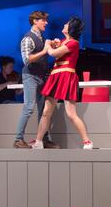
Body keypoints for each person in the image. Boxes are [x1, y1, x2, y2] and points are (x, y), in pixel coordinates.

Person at [31, 17, 93, 149]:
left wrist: (48, 44)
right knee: (46, 112)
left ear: (71, 28)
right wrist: (55, 43)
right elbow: (58, 47)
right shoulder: (65, 41)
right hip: (55, 76)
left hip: (66, 76)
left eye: (67, 24)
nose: (64, 25)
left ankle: (87, 141)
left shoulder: (73, 43)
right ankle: (38, 141)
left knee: (71, 114)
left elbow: (53, 53)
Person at [13, 11, 60, 149]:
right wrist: (45, 50)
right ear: (35, 21)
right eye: (43, 20)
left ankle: (43, 139)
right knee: (29, 107)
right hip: (30, 76)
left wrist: (52, 46)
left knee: (42, 109)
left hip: (41, 77)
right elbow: (27, 59)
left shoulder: (41, 37)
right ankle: (18, 139)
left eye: (46, 20)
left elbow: (44, 50)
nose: (46, 23)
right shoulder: (28, 38)